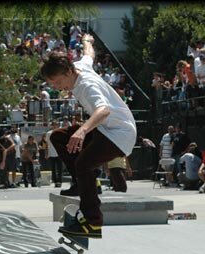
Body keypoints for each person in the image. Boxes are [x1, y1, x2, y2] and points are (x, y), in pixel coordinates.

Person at [40, 33, 137, 238]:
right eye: (53, 85)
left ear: (68, 72)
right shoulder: (80, 65)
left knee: (83, 163)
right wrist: (87, 40)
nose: (58, 88)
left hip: (119, 135)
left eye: (58, 83)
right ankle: (85, 181)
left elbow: (103, 111)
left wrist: (82, 131)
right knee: (58, 137)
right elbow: (88, 54)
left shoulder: (86, 86)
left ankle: (92, 222)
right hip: (105, 130)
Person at [46, 122, 63, 188]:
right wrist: (47, 153)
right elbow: (47, 144)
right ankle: (55, 181)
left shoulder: (60, 132)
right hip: (51, 153)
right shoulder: (48, 133)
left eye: (56, 125)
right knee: (53, 169)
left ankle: (59, 181)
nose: (55, 126)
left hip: (59, 153)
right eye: (54, 125)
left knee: (60, 168)